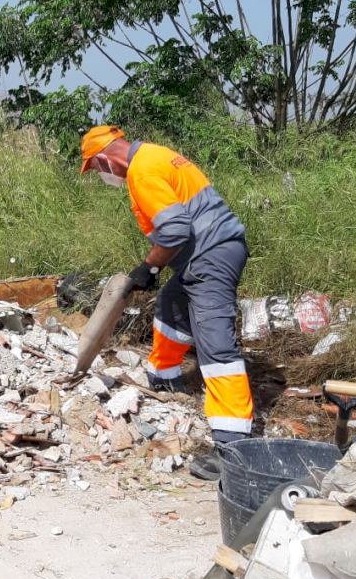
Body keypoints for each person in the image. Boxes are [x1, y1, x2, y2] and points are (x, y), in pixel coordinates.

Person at [80, 125, 253, 481]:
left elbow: (175, 230)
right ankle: (164, 378)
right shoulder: (155, 154)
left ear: (104, 158)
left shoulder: (141, 171)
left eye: (95, 169)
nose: (100, 176)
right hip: (209, 251)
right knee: (172, 305)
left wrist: (150, 266)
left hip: (211, 256)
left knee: (216, 348)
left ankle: (233, 448)